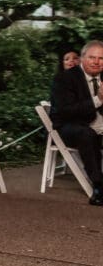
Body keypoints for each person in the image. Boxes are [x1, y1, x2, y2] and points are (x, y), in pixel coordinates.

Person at [50, 40, 103, 206]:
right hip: (71, 127)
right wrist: (98, 99)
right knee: (86, 134)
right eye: (92, 57)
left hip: (99, 126)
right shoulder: (64, 79)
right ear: (82, 58)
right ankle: (99, 187)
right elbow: (66, 110)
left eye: (101, 58)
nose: (96, 62)